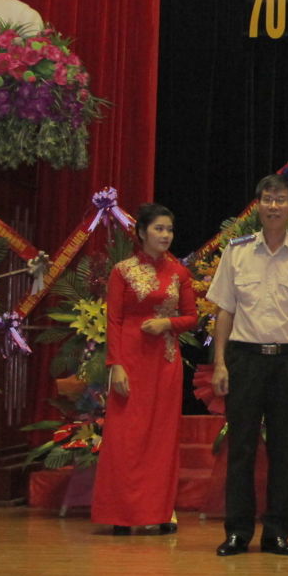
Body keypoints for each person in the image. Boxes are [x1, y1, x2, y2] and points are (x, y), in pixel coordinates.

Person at [206, 174, 288, 557]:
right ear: (257, 206)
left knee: (282, 450)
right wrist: (220, 362)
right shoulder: (237, 252)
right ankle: (238, 532)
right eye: (267, 199)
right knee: (241, 448)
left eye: (280, 200)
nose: (273, 206)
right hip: (244, 359)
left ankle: (277, 532)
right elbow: (225, 311)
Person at [92, 203, 197, 535]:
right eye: (158, 229)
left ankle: (160, 511)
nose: (165, 235)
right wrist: (116, 365)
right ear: (141, 232)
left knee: (161, 438)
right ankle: (122, 514)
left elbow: (191, 318)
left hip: (165, 362)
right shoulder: (122, 271)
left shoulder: (179, 273)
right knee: (126, 437)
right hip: (130, 361)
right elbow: (114, 320)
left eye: (169, 230)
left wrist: (168, 323)